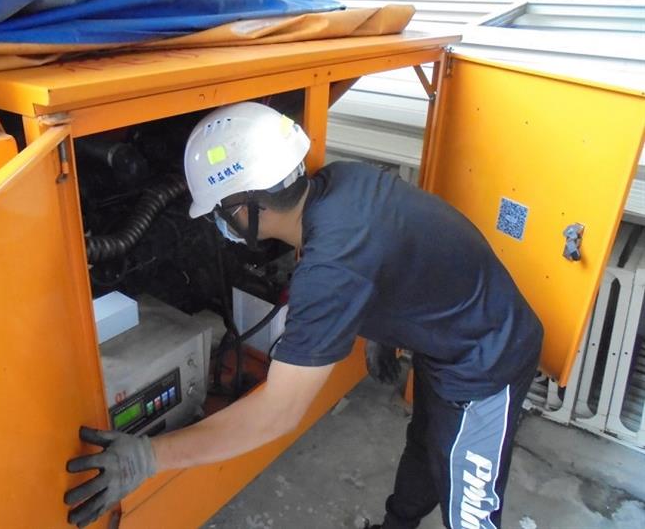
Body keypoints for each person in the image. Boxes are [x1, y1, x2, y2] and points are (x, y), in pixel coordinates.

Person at [64, 101, 543, 528]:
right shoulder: (340, 181)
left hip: (487, 356)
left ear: (243, 207)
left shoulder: (331, 269)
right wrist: (380, 330)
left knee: (471, 506)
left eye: (217, 211)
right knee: (428, 446)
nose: (216, 223)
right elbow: (392, 246)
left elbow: (278, 413)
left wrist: (146, 458)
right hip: (448, 339)